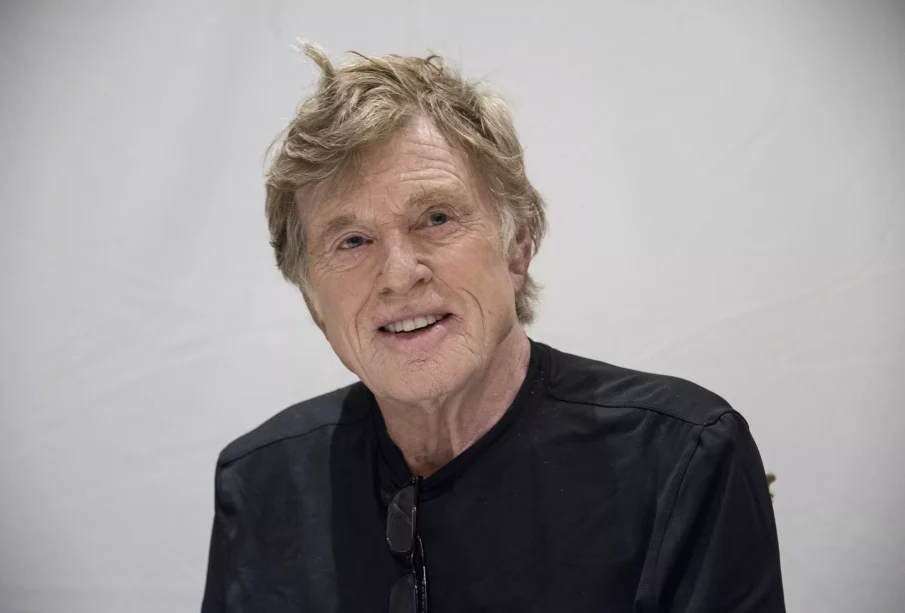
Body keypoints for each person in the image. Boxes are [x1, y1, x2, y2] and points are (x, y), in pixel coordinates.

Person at [200, 44, 785, 613]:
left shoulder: (682, 458)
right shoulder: (260, 480)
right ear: (312, 300)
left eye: (436, 218)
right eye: (352, 241)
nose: (399, 275)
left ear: (517, 248)